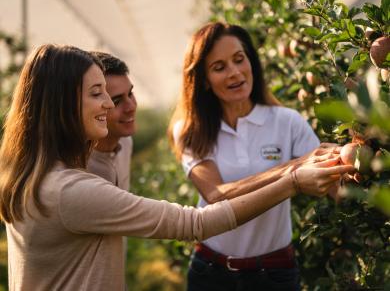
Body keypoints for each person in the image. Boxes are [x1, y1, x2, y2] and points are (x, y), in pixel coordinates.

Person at [0, 44, 352, 291]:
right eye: (98, 93)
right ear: (63, 106)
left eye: (121, 94)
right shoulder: (70, 191)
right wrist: (292, 180)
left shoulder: (37, 172)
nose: (110, 104)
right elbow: (196, 222)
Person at [168, 22, 340, 290]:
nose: (235, 72)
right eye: (219, 67)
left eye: (239, 59)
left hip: (274, 273)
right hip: (211, 272)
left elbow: (337, 187)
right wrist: (294, 168)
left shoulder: (287, 122)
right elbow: (216, 195)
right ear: (203, 79)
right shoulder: (191, 130)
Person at [87, 51, 136, 192]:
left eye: (130, 94)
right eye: (117, 101)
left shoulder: (125, 142)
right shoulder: (79, 167)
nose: (131, 107)